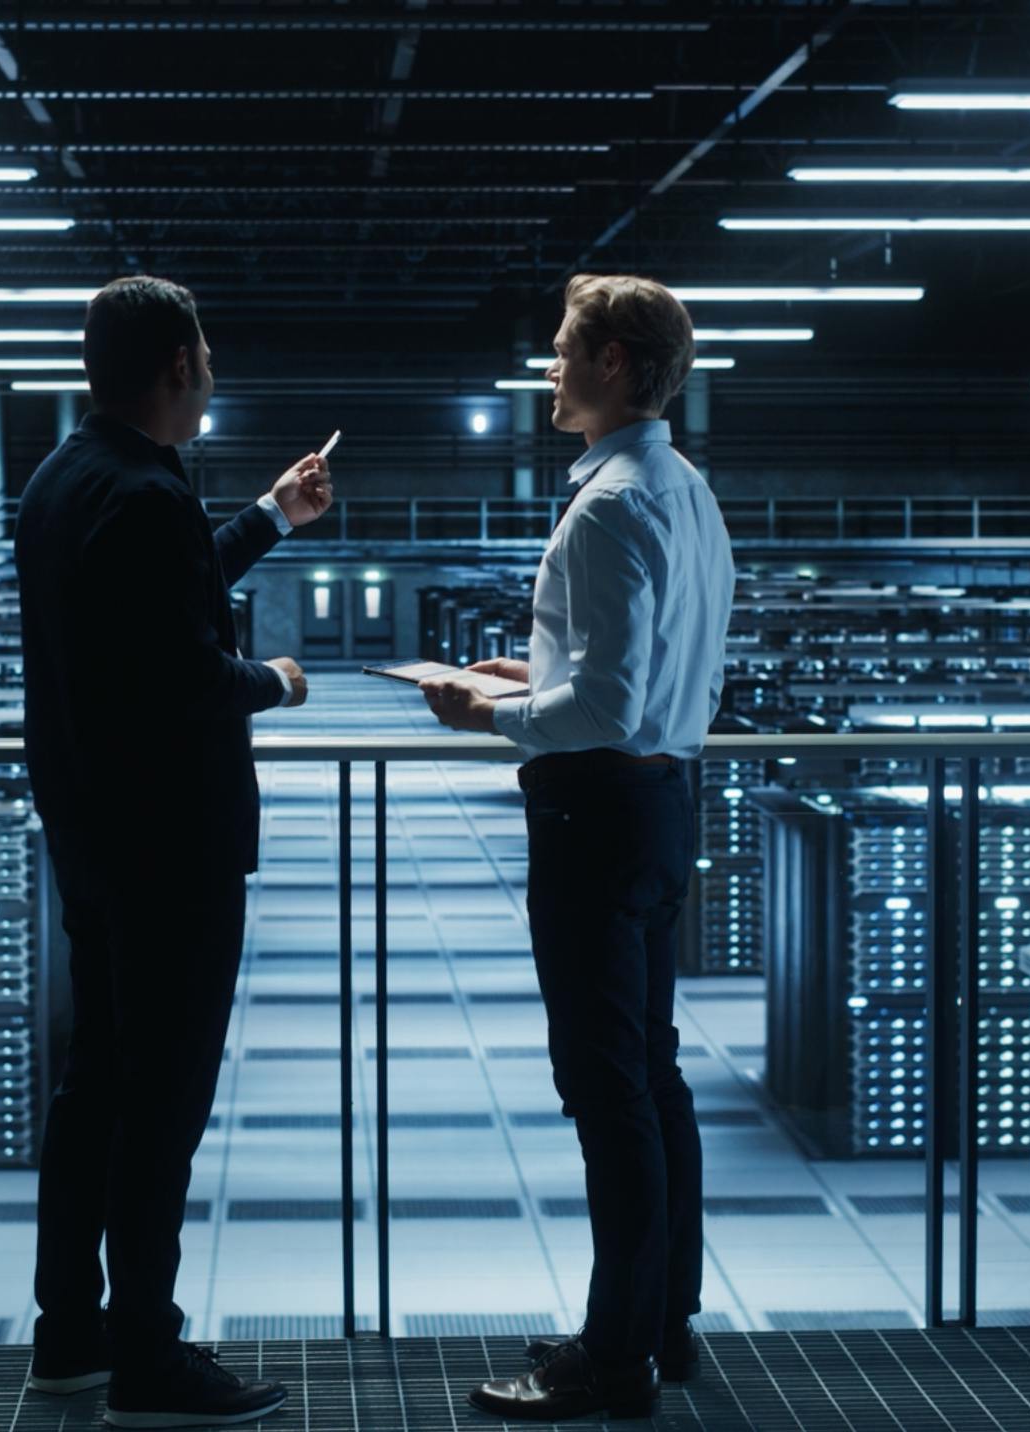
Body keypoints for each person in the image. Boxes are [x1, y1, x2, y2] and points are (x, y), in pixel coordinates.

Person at [16, 274, 328, 1428]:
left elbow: (149, 604)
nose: (212, 376)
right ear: (177, 367)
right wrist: (277, 683)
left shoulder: (68, 478)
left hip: (93, 845)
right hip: (170, 855)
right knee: (161, 1112)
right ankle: (148, 1354)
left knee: (93, 1093)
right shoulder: (143, 496)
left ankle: (68, 1337)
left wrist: (267, 517)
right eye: (204, 356)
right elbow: (180, 677)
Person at [421, 273, 734, 1422]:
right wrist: (531, 674)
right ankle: (660, 1327)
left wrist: (486, 712)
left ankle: (610, 1360)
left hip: (594, 813)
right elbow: (657, 678)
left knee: (605, 1092)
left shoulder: (607, 504)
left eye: (562, 348)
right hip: (663, 804)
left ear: (611, 362)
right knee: (652, 1076)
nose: (548, 366)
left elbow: (601, 704)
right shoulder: (683, 487)